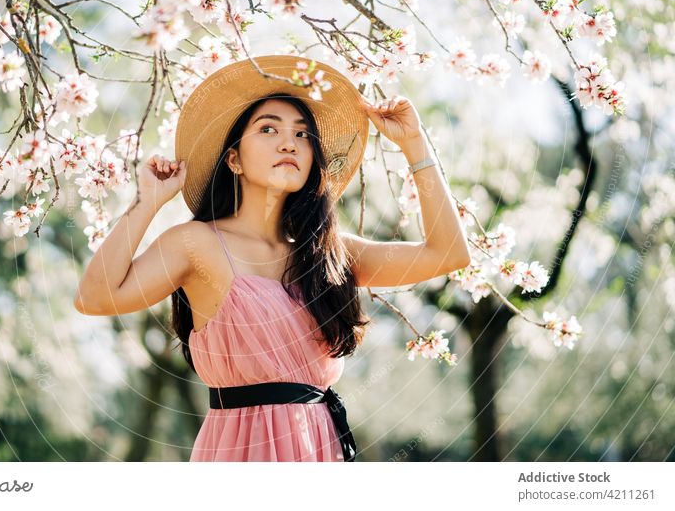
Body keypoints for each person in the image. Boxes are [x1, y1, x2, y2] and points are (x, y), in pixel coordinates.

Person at [74, 54, 471, 462]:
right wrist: (147, 202)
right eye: (268, 129)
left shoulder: (329, 253)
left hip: (320, 448)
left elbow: (448, 253)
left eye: (302, 135)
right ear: (234, 159)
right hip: (239, 453)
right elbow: (95, 298)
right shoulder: (196, 243)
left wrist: (415, 145)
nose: (289, 143)